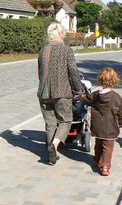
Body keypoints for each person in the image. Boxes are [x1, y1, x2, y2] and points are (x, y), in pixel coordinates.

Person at [37, 22, 82, 165]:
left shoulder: (42, 50)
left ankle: (51, 156)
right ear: (61, 34)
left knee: (50, 124)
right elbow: (73, 72)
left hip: (44, 93)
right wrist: (79, 89)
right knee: (65, 121)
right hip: (62, 92)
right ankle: (54, 146)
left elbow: (40, 73)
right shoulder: (66, 50)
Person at [77, 67, 122, 176]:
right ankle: (105, 166)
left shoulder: (96, 95)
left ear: (100, 80)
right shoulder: (117, 97)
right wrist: (121, 123)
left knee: (98, 143)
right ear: (114, 81)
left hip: (97, 125)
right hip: (111, 127)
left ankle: (96, 160)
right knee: (108, 146)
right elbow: (121, 112)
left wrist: (80, 97)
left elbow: (86, 100)